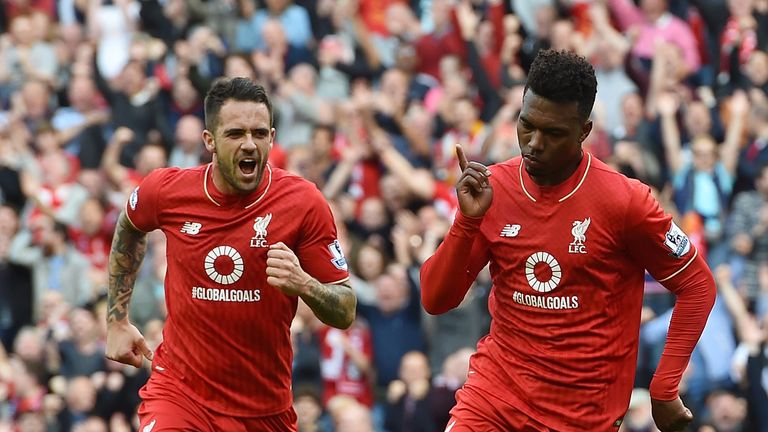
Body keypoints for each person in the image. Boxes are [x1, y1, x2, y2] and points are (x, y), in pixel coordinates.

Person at [420, 49, 717, 432]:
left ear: (584, 131)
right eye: (527, 125)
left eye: (554, 133)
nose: (534, 143)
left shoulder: (625, 201)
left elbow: (697, 284)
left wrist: (663, 388)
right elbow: (435, 299)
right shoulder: (493, 189)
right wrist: (467, 221)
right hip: (493, 399)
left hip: (580, 417)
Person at [104, 77, 356, 431]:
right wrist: (116, 320)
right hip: (180, 393)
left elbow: (345, 310)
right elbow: (129, 226)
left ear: (272, 137)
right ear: (210, 141)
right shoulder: (167, 190)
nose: (249, 145)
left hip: (264, 409)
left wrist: (305, 284)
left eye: (259, 133)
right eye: (236, 134)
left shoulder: (303, 203)